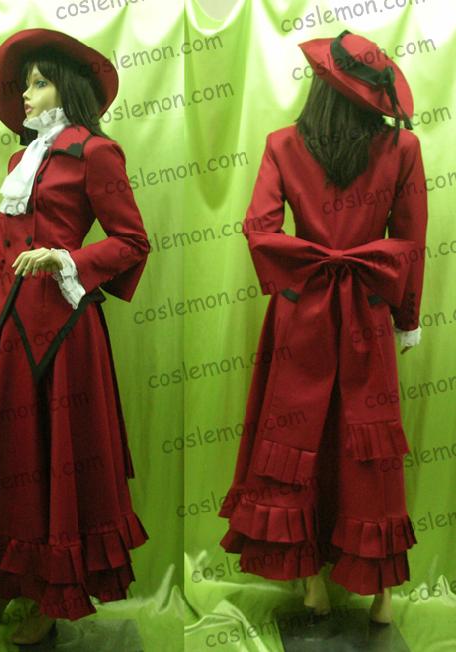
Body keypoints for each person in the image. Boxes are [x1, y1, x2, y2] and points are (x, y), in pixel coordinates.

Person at [0, 28, 151, 646]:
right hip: (11, 333)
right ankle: (8, 579)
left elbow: (132, 241)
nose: (26, 95)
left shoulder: (97, 153)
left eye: (38, 83)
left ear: (67, 87)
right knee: (10, 462)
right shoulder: (19, 162)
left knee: (55, 462)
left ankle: (50, 597)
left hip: (64, 334)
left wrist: (66, 259)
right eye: (25, 84)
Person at [218, 30, 427, 625]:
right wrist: (407, 317)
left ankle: (311, 581)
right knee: (368, 443)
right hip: (366, 311)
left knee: (296, 440)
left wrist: (305, 264)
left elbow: (259, 229)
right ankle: (382, 593)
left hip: (301, 311)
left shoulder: (282, 145)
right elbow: (411, 240)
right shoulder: (403, 149)